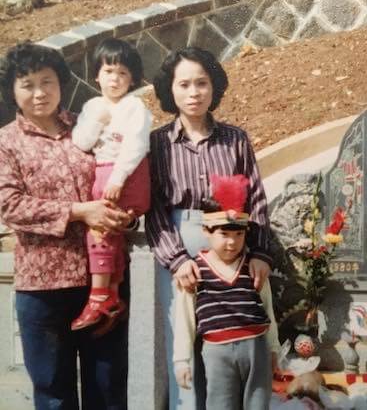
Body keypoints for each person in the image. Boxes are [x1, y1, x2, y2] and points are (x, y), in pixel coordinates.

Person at [0, 41, 134, 409]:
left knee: (106, 391)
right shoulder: (6, 143)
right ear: (12, 90)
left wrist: (125, 213)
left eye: (48, 81)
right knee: (54, 394)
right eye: (27, 84)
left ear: (62, 82)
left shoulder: (89, 127)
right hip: (43, 289)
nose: (40, 93)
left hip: (101, 282)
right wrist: (80, 211)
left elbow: (120, 174)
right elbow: (10, 206)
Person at [145, 46, 272, 410]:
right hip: (179, 237)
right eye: (184, 84)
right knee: (183, 338)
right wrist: (175, 259)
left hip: (232, 244)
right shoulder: (157, 144)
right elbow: (153, 208)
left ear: (214, 86)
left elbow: (257, 200)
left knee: (232, 334)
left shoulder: (235, 139)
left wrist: (260, 253)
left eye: (202, 83)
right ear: (170, 90)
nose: (194, 92)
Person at [173, 174, 279, 410]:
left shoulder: (253, 266)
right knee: (220, 404)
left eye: (238, 234)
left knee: (258, 403)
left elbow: (267, 307)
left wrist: (273, 347)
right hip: (216, 352)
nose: (232, 242)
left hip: (256, 347)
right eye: (224, 234)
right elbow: (185, 319)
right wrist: (182, 360)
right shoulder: (194, 270)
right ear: (207, 231)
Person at [71, 38, 152, 330]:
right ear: (96, 74)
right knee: (113, 233)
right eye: (108, 71)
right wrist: (97, 120)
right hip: (103, 173)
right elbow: (81, 141)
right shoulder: (92, 105)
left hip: (126, 175)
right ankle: (115, 294)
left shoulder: (134, 107)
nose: (115, 79)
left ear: (131, 78)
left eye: (122, 73)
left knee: (100, 228)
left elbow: (136, 145)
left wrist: (118, 178)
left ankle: (98, 295)